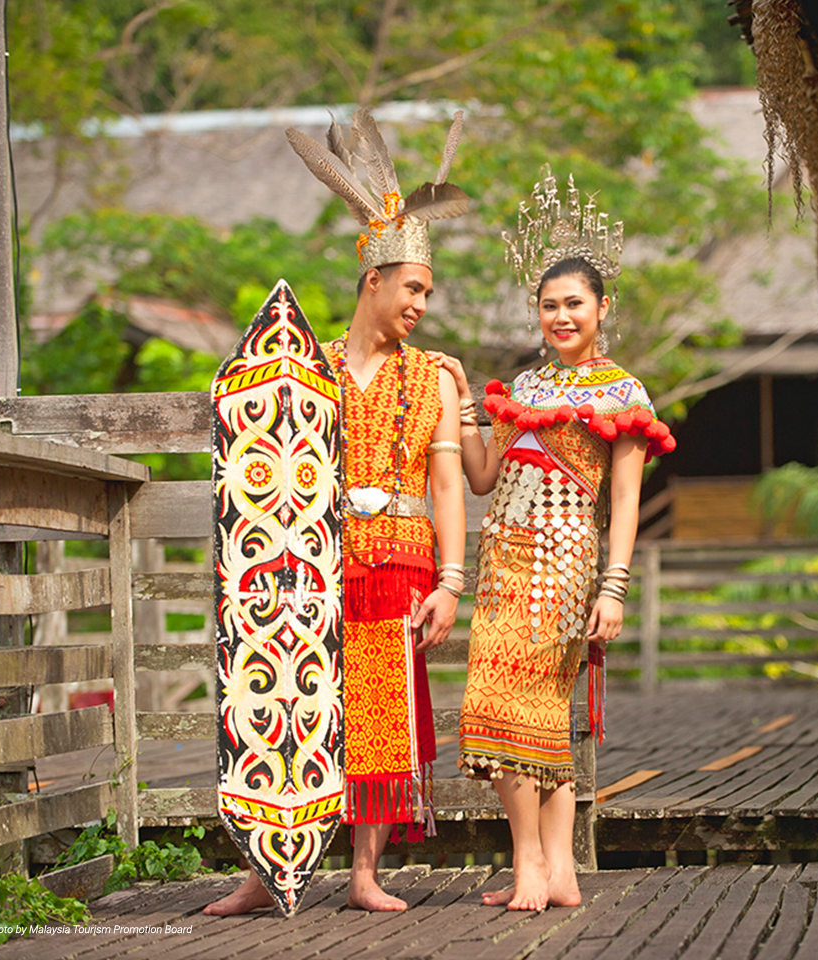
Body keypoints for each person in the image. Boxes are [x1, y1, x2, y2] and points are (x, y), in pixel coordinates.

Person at [206, 108, 469, 916]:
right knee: (291, 699)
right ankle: (266, 869)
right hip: (305, 559)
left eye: (427, 291)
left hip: (399, 559)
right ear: (373, 280)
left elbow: (449, 483)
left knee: (383, 712)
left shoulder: (435, 376)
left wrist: (452, 579)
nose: (421, 304)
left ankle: (363, 873)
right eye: (413, 288)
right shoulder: (302, 367)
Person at [432, 168, 675, 912]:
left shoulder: (623, 393)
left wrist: (615, 587)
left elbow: (627, 501)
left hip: (565, 566)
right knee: (521, 712)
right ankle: (558, 870)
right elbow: (479, 478)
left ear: (603, 308)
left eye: (574, 304)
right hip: (501, 561)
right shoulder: (524, 389)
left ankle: (532, 865)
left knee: (516, 704)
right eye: (549, 306)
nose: (561, 317)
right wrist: (463, 398)